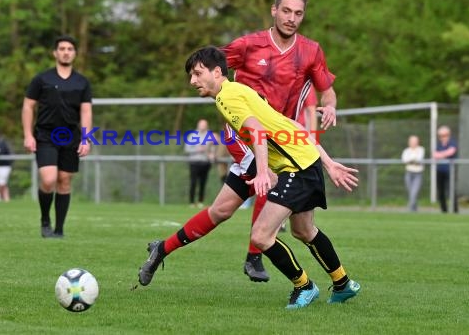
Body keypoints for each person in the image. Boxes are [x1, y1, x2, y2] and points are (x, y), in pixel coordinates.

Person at [138, 47, 360, 309]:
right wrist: (328, 162)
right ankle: (342, 283)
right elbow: (292, 127)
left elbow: (257, 133)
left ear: (217, 72)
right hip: (304, 162)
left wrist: (264, 170)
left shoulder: (227, 97)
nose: (193, 81)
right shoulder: (240, 92)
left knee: (261, 236)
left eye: (197, 74)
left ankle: (304, 286)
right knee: (303, 230)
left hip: (295, 168)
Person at [220, 0, 337, 282]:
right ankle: (256, 256)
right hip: (244, 135)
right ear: (274, 10)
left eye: (298, 13)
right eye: (286, 11)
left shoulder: (311, 50)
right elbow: (214, 67)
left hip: (283, 136)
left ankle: (339, 282)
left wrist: (330, 105)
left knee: (302, 227)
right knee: (258, 188)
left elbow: (327, 89)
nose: (291, 18)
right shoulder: (248, 45)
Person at [21, 35, 93, 238]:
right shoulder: (42, 79)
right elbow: (28, 106)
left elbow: (86, 111)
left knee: (64, 180)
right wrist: (28, 135)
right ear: (55, 53)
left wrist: (86, 138)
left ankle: (59, 230)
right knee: (49, 179)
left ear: (75, 53)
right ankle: (45, 221)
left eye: (70, 48)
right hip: (45, 135)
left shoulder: (82, 82)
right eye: (62, 48)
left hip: (71, 136)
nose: (66, 51)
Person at [184, 119, 215, 208]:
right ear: (198, 125)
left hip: (205, 163)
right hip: (194, 162)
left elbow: (213, 148)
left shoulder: (210, 136)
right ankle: (191, 202)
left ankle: (200, 201)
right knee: (193, 182)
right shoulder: (192, 135)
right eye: (201, 125)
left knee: (203, 183)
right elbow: (187, 149)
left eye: (204, 125)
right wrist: (197, 150)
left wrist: (212, 154)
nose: (203, 126)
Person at [433, 126, 458, 213]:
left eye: (444, 135)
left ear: (448, 135)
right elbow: (435, 155)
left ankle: (455, 210)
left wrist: (441, 154)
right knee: (441, 191)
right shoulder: (438, 144)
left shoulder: (452, 142)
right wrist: (444, 154)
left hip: (450, 170)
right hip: (440, 170)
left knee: (451, 191)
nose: (442, 137)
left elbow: (451, 151)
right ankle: (444, 210)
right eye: (440, 135)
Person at [401, 135, 425, 212]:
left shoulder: (421, 149)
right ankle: (414, 209)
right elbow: (404, 160)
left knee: (414, 192)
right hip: (409, 173)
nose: (413, 143)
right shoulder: (406, 151)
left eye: (415, 141)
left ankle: (411, 209)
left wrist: (412, 160)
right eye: (412, 141)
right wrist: (412, 160)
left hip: (418, 173)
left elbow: (418, 159)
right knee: (410, 192)